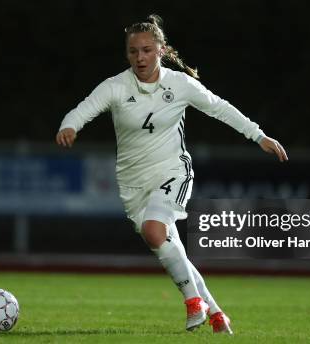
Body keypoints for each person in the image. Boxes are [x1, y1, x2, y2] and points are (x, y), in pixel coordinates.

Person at [56, 14, 288, 334]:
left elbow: (219, 107)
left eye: (147, 50)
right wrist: (69, 125)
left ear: (161, 51)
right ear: (127, 54)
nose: (140, 57)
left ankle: (194, 304)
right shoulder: (116, 86)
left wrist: (259, 136)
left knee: (155, 230)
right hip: (133, 183)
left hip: (173, 171)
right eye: (134, 51)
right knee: (170, 247)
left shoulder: (179, 84)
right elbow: (84, 107)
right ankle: (217, 314)